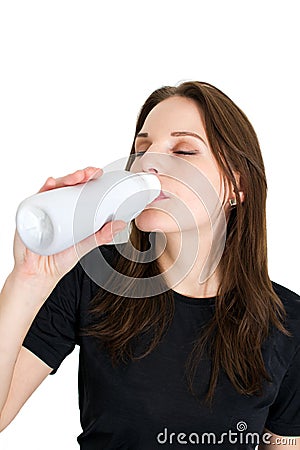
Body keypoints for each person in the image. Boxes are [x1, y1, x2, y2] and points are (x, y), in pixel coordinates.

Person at [0, 81, 299, 450]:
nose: (148, 162)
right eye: (142, 149)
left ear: (238, 186)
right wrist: (26, 280)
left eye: (184, 149)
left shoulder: (288, 324)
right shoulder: (91, 280)